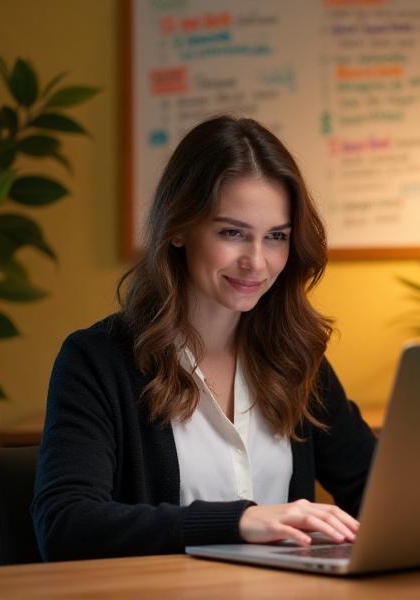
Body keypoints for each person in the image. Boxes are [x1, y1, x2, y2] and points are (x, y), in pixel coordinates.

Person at [31, 115, 377, 561]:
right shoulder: (97, 361)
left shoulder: (296, 357)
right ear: (178, 228)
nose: (257, 261)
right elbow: (65, 525)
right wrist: (238, 521)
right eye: (232, 233)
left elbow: (377, 489)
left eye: (276, 237)